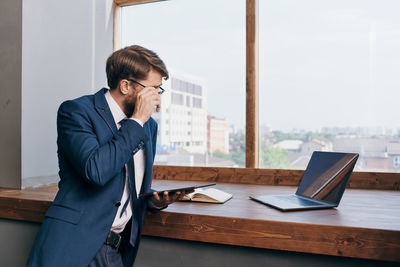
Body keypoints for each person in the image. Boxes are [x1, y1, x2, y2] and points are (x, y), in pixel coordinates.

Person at [27, 45, 186, 267]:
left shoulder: (148, 126)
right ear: (125, 86)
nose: (157, 99)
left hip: (116, 251)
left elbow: (128, 183)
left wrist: (154, 201)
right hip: (72, 246)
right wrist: (136, 120)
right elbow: (97, 171)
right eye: (152, 90)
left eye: (159, 91)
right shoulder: (76, 112)